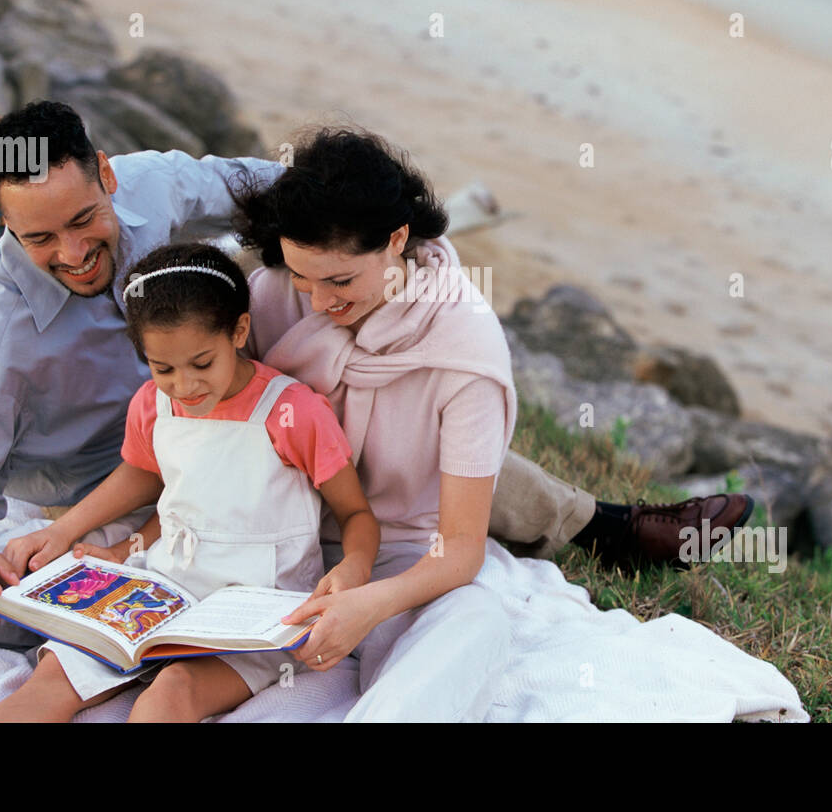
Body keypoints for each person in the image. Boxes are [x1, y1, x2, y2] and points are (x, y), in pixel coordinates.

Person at [0, 101, 747, 723]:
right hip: (111, 475)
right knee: (21, 590)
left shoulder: (166, 194)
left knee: (409, 419)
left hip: (265, 430)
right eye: (41, 237)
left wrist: (355, 217)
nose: (77, 251)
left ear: (108, 176)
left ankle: (603, 525)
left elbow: (268, 187)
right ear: (5, 226)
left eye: (86, 221)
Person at [227, 126, 753, 719]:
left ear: (397, 239)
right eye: (303, 276)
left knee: (475, 621)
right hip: (279, 539)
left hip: (406, 552)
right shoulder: (270, 296)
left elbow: (458, 551)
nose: (318, 302)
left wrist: (370, 605)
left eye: (341, 282)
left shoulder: (464, 346)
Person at [0, 242, 378, 721]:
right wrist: (64, 532)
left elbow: (355, 512)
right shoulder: (152, 404)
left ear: (239, 331)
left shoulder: (292, 412)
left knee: (174, 688)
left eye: (201, 364)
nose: (184, 386)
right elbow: (144, 477)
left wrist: (354, 568)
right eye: (162, 368)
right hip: (162, 591)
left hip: (256, 611)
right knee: (54, 675)